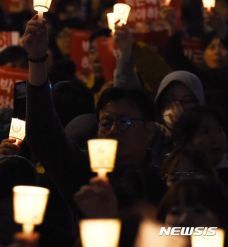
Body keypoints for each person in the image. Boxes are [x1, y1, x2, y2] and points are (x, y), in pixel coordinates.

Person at [21, 14, 158, 210]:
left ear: (149, 130)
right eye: (105, 123)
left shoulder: (163, 180)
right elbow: (43, 133)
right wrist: (36, 58)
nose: (113, 130)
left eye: (124, 122)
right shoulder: (82, 171)